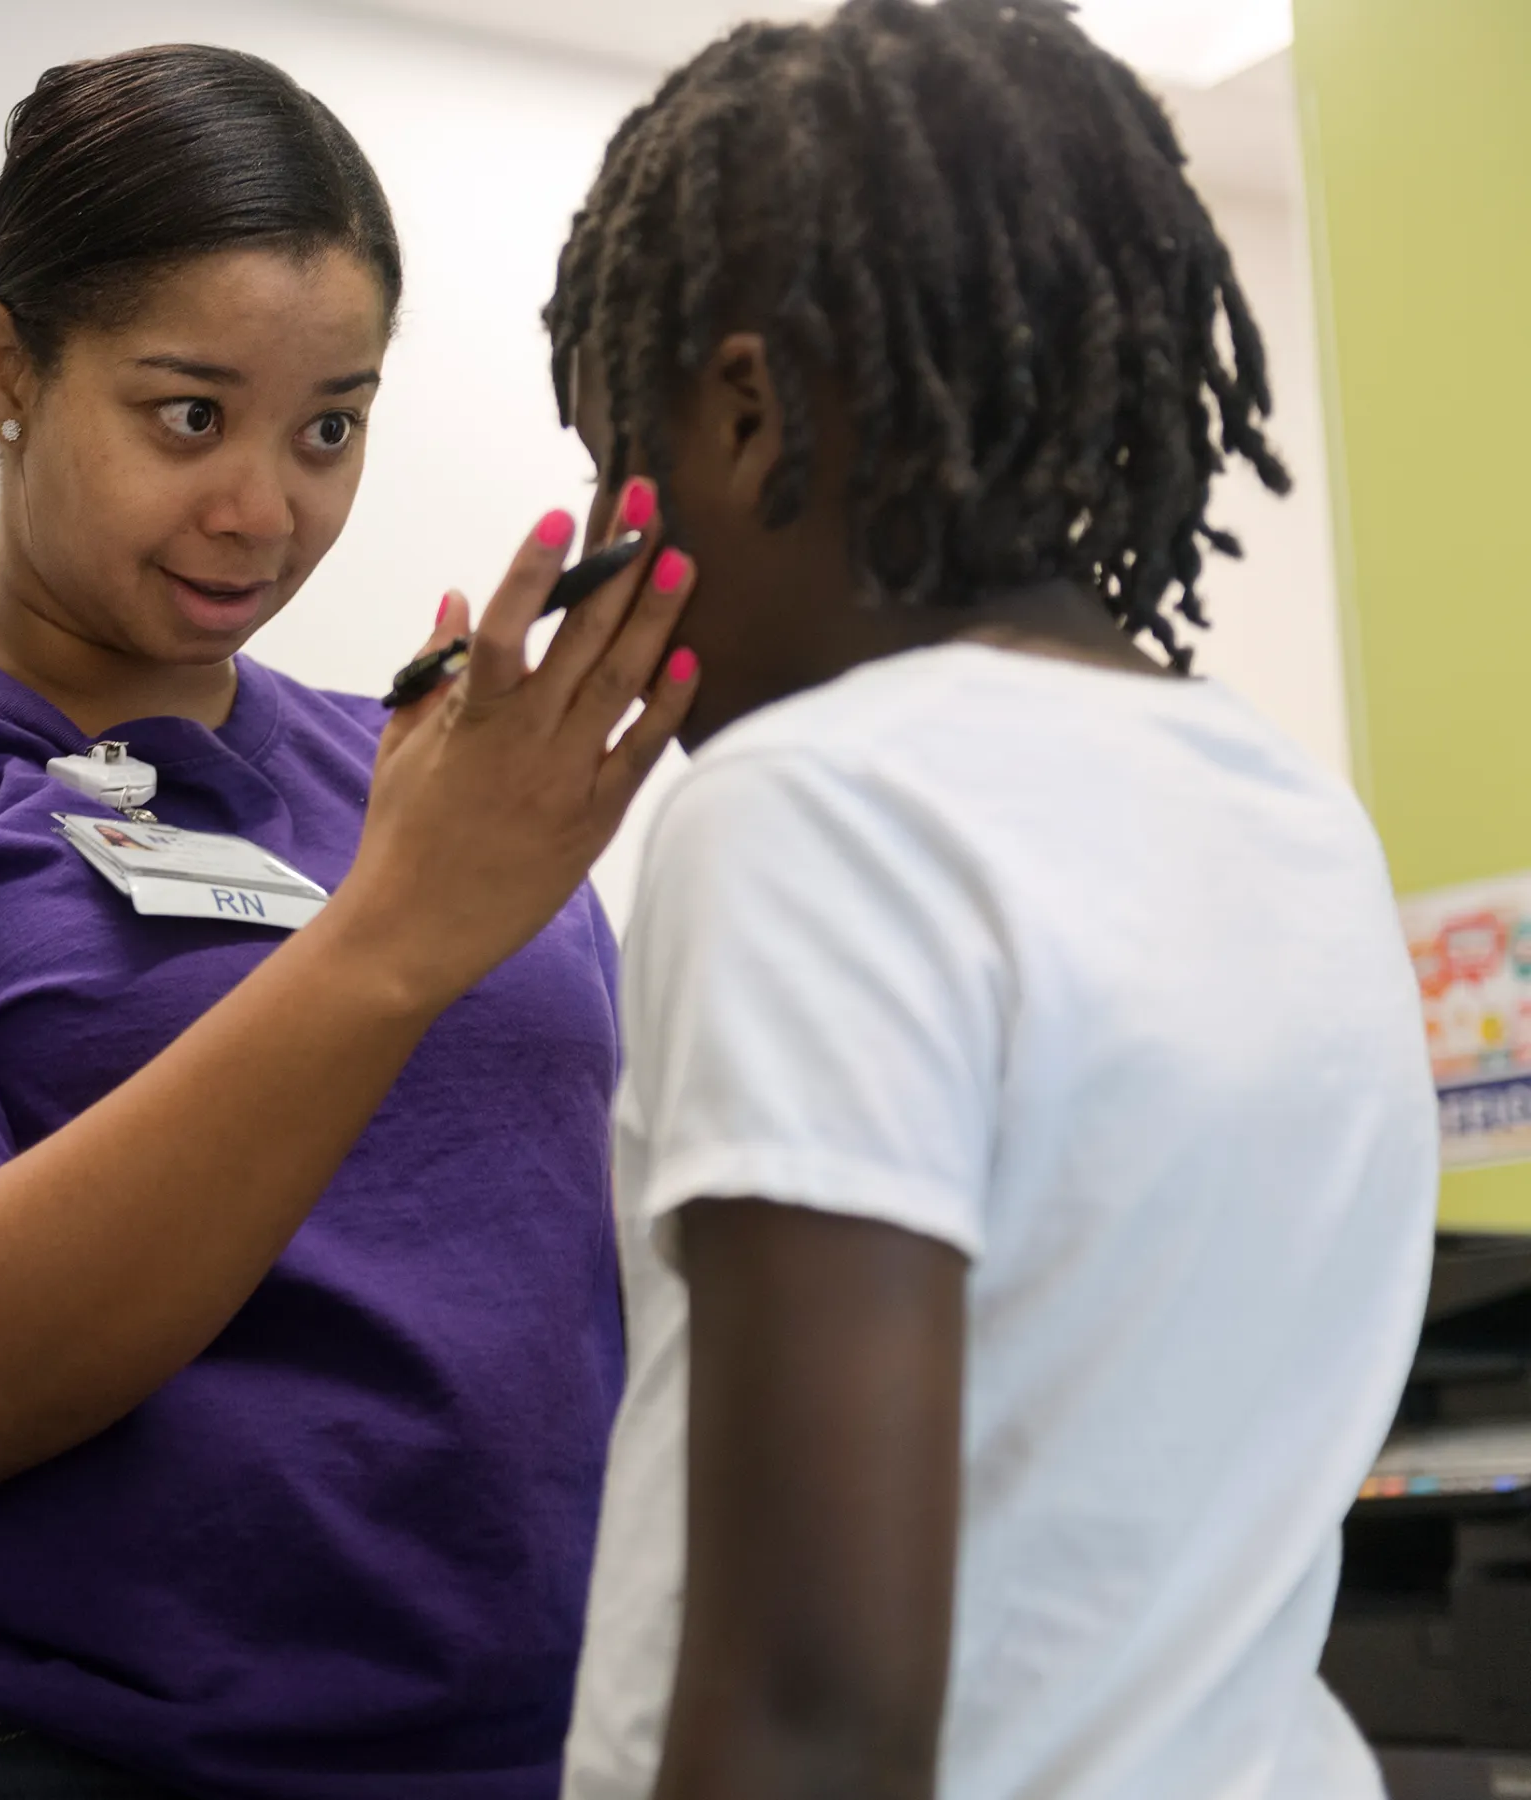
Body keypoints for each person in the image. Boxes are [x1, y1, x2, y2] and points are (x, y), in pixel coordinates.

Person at [0, 43, 697, 1800]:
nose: (263, 509)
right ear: (8, 369)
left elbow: (624, 1292)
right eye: (188, 414)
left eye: (330, 427)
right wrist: (383, 945)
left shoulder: (418, 784)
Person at [537, 4, 1438, 1797]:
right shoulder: (1298, 818)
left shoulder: (814, 810)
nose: (602, 560)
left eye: (610, 465)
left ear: (746, 412)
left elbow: (812, 1706)